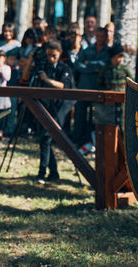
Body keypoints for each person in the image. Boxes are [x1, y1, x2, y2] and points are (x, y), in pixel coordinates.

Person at [32, 40, 75, 181]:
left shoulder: (65, 68)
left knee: (47, 137)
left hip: (62, 105)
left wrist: (47, 80)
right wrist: (31, 63)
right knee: (44, 139)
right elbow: (27, 79)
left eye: (54, 56)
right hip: (46, 104)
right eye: (49, 55)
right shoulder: (43, 66)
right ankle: (54, 172)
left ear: (60, 53)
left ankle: (42, 173)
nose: (51, 59)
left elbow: (64, 86)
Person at [73, 27, 109, 148]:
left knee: (95, 118)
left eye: (102, 36)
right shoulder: (88, 49)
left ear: (107, 37)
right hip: (84, 87)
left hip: (99, 89)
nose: (100, 39)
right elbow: (78, 64)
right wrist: (95, 68)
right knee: (80, 116)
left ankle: (92, 142)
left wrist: (89, 64)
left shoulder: (109, 51)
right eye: (98, 36)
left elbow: (105, 65)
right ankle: (77, 140)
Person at [95, 44, 133, 129]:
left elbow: (131, 83)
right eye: (118, 56)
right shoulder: (105, 69)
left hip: (123, 100)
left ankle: (123, 141)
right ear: (112, 57)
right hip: (109, 101)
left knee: (123, 124)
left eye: (122, 57)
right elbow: (100, 84)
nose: (120, 59)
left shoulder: (125, 69)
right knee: (109, 124)